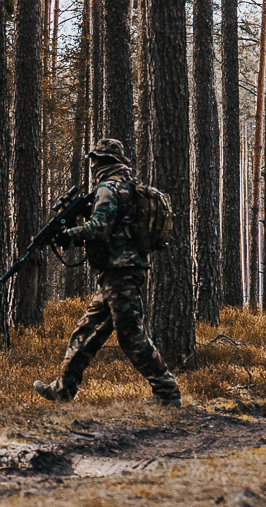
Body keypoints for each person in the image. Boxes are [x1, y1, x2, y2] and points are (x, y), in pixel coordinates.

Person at [33, 138, 182, 407]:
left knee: (131, 335)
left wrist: (70, 234)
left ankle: (167, 393)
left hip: (121, 272)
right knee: (86, 331)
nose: (92, 164)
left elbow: (99, 228)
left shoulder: (108, 188)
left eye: (95, 158)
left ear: (104, 161)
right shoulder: (127, 186)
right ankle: (63, 390)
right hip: (117, 273)